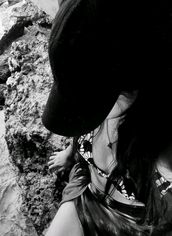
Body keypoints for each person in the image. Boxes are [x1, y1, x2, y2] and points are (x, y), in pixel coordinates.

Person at [41, 0, 172, 235]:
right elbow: (83, 127)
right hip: (86, 187)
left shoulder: (162, 155)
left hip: (133, 220)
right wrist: (71, 155)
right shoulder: (105, 94)